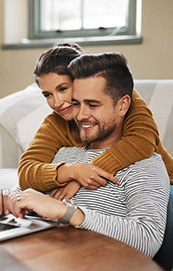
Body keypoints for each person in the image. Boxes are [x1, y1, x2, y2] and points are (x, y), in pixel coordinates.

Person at [8, 53, 170, 258]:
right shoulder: (61, 150)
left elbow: (147, 239)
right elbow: (23, 186)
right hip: (37, 259)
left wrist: (66, 212)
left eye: (92, 105)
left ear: (122, 105)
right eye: (76, 103)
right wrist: (8, 200)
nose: (80, 115)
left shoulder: (143, 160)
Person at [18, 43, 173, 195]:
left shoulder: (122, 99)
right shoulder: (55, 123)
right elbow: (27, 171)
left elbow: (142, 140)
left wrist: (85, 174)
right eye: (47, 95)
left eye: (63, 89)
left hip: (165, 186)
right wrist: (73, 171)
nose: (57, 103)